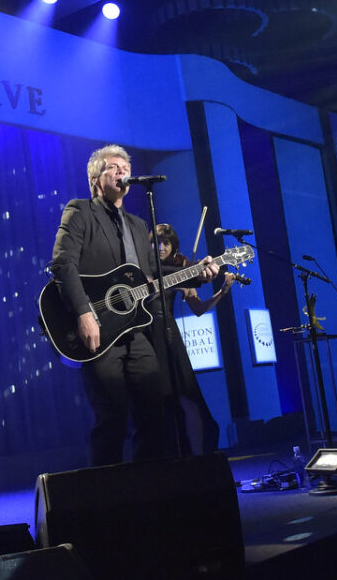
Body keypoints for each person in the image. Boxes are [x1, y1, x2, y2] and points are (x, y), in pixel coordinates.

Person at [48, 145, 217, 466]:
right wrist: (84, 313)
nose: (122, 171)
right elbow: (62, 265)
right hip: (99, 331)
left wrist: (199, 274)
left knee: (155, 414)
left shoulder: (140, 226)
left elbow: (154, 274)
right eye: (113, 167)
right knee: (112, 420)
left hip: (136, 333)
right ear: (96, 178)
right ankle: (107, 500)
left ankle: (145, 490)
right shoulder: (80, 212)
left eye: (125, 166)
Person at [154, 222, 234, 456]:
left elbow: (198, 309)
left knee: (188, 397)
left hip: (168, 335)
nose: (160, 247)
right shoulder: (142, 267)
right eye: (156, 242)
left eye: (166, 243)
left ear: (173, 246)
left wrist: (222, 292)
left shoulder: (181, 269)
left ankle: (199, 460)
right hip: (145, 337)